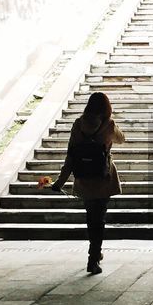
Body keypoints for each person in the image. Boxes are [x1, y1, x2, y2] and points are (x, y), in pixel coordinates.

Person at [51, 90, 124, 275]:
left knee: (91, 218)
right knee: (99, 219)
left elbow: (70, 156)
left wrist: (60, 182)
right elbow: (121, 139)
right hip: (102, 179)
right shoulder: (109, 125)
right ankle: (94, 257)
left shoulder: (78, 124)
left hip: (84, 179)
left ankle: (95, 254)